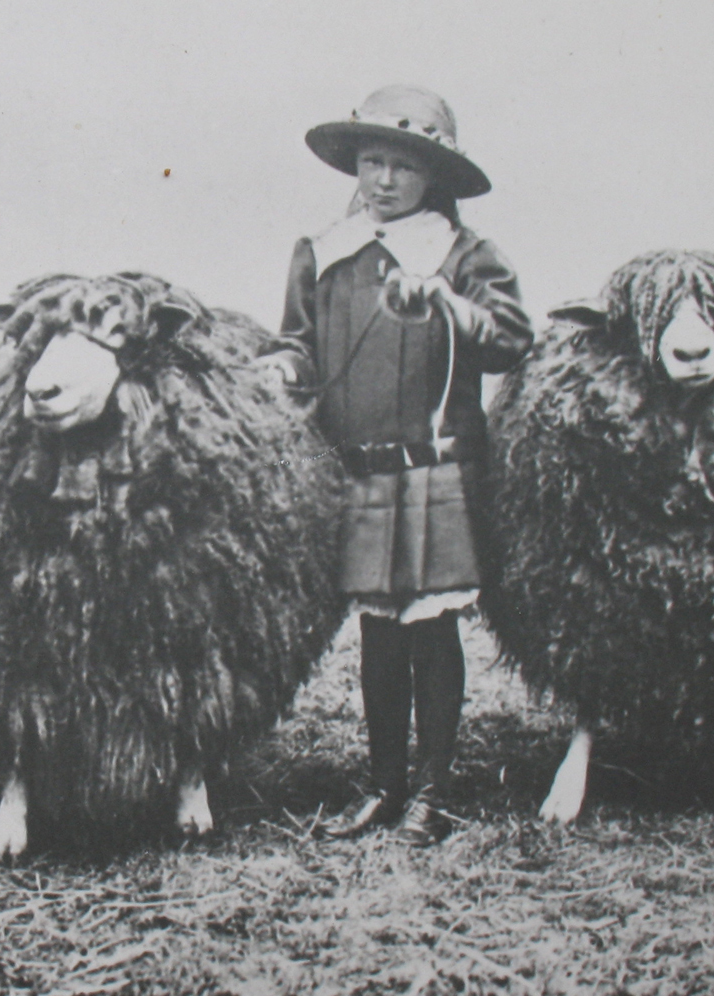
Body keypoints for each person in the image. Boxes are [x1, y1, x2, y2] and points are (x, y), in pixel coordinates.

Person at [263, 85, 531, 845]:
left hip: (435, 468)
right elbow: (297, 345)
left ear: (433, 176)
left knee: (430, 630)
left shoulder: (462, 254)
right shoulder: (323, 252)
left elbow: (511, 338)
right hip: (356, 471)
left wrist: (445, 301)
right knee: (378, 633)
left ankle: (434, 793)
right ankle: (384, 786)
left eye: (403, 168)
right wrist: (282, 371)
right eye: (373, 162)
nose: (384, 181)